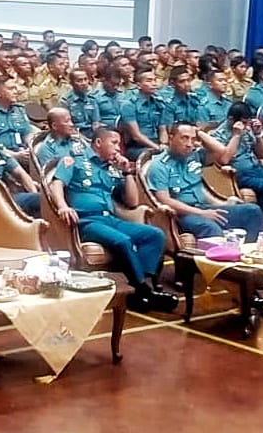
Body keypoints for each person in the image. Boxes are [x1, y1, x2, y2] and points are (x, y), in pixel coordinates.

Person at [47, 128, 177, 312]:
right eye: (114, 143)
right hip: (87, 221)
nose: (118, 148)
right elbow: (57, 184)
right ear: (99, 143)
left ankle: (144, 289)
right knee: (123, 241)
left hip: (111, 218)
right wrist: (62, 206)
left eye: (120, 144)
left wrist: (127, 173)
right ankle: (143, 291)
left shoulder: (112, 169)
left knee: (154, 234)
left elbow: (132, 202)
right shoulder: (74, 160)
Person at [147, 123, 263, 241]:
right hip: (182, 215)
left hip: (204, 207)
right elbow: (165, 200)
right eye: (184, 138)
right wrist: (201, 213)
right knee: (211, 228)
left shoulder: (194, 156)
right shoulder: (159, 165)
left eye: (193, 139)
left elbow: (222, 151)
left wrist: (200, 133)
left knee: (252, 211)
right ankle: (223, 252)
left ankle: (247, 249)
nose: (189, 144)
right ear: (171, 138)